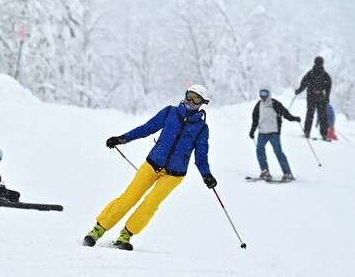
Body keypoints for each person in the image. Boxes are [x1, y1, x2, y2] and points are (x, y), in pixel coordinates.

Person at [82, 85, 217, 251]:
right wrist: (122, 139)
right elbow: (146, 129)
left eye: (196, 99)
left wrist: (207, 175)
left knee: (151, 203)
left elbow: (201, 158)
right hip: (152, 164)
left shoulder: (201, 128)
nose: (191, 101)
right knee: (129, 197)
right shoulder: (170, 112)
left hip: (175, 174)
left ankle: (126, 235)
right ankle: (98, 229)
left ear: (202, 103)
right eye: (189, 95)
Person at [249, 86, 301, 182]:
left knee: (278, 152)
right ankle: (265, 171)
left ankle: (287, 173)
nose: (263, 96)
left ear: (269, 93)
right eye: (261, 94)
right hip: (262, 133)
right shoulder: (258, 105)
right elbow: (255, 120)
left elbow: (285, 114)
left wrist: (295, 118)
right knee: (259, 151)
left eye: (265, 93)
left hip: (274, 132)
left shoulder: (274, 103)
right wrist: (252, 131)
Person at [295, 56, 332, 140]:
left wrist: (298, 91)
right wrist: (327, 96)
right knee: (321, 115)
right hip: (317, 96)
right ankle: (323, 134)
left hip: (312, 96)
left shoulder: (311, 74)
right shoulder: (324, 75)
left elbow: (303, 84)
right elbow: (328, 87)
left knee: (312, 114)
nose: (319, 65)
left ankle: (309, 132)